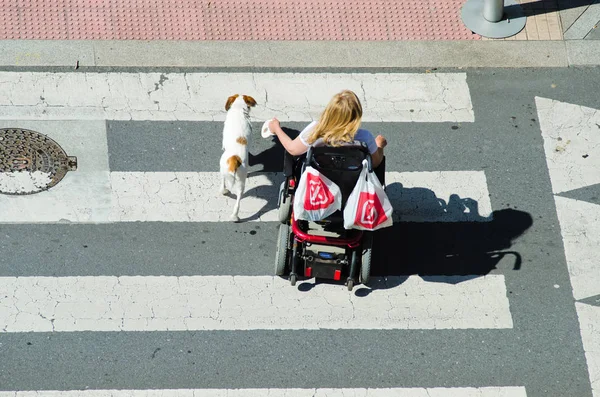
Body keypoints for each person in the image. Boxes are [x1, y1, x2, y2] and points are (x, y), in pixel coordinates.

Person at [268, 90, 387, 181]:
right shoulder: (365, 137)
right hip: (351, 183)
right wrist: (379, 146)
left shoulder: (315, 130)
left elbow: (292, 149)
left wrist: (276, 129)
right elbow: (375, 163)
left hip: (319, 181)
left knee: (293, 155)